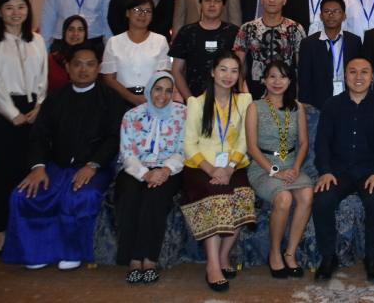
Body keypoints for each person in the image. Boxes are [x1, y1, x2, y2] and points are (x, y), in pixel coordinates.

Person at [2, 43, 125, 270]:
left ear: (99, 68)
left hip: (95, 166)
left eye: (90, 64)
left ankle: (73, 251)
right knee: (25, 194)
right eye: (77, 64)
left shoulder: (110, 97)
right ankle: (36, 251)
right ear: (68, 67)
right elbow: (39, 136)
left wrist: (93, 165)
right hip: (57, 165)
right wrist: (38, 167)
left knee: (82, 195)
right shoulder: (54, 98)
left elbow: (114, 138)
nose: (83, 69)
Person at [0, 0, 48, 257]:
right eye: (9, 7)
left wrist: (40, 105)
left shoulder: (37, 40)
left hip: (32, 111)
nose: (16, 12)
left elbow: (43, 77)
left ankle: (22, 231)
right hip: (2, 113)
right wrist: (11, 113)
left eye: (21, 7)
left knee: (25, 174)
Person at [313, 57, 374, 283]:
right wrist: (325, 171)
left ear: (372, 76)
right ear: (345, 75)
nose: (359, 77)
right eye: (353, 72)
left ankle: (373, 257)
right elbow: (321, 143)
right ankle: (328, 256)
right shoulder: (332, 105)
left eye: (364, 72)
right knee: (322, 199)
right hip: (338, 169)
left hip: (370, 170)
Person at [181, 51, 256, 292]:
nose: (228, 75)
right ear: (213, 72)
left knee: (244, 196)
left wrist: (230, 167)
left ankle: (224, 256)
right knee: (218, 197)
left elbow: (245, 139)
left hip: (234, 165)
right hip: (201, 166)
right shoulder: (196, 103)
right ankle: (212, 265)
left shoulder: (244, 100)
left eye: (234, 71)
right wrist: (212, 169)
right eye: (223, 69)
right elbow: (189, 144)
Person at [115, 71, 186, 285]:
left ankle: (149, 260)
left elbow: (184, 149)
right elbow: (127, 153)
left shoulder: (182, 114)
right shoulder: (131, 116)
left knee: (154, 196)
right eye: (158, 89)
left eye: (168, 90)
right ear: (149, 90)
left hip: (169, 168)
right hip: (136, 168)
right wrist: (144, 173)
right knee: (128, 195)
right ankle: (133, 259)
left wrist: (165, 170)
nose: (163, 95)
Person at [245, 61, 314, 279]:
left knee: (307, 194)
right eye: (272, 76)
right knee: (284, 198)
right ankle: (274, 253)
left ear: (290, 81)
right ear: (264, 80)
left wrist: (295, 168)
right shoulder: (254, 107)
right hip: (263, 167)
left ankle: (290, 253)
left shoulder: (297, 107)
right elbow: (251, 147)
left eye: (283, 77)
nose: (277, 81)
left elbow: (303, 143)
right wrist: (275, 171)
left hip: (291, 165)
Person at [234, 0, 306, 97]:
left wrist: (299, 97)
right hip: (255, 91)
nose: (271, 0)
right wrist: (239, 95)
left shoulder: (295, 29)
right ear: (261, 0)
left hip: (287, 92)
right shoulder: (247, 28)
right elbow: (238, 65)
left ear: (284, 1)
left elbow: (301, 67)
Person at [170, 0, 240, 101]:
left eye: (217, 1)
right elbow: (176, 70)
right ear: (200, 5)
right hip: (194, 97)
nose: (212, 4)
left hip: (227, 101)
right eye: (207, 0)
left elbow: (240, 68)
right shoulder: (187, 32)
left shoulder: (234, 32)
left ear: (223, 6)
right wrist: (190, 100)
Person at [101, 0, 172, 107]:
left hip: (152, 100)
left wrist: (149, 96)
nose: (143, 14)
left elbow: (164, 75)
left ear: (152, 17)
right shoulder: (113, 42)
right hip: (120, 101)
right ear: (127, 13)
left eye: (147, 11)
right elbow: (109, 79)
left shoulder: (160, 41)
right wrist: (132, 98)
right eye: (138, 10)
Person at [298, 0, 362, 110]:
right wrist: (306, 108)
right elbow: (304, 81)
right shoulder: (309, 43)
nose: (331, 15)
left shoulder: (354, 41)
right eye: (327, 11)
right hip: (318, 105)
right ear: (321, 16)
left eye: (336, 12)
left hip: (350, 102)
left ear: (344, 16)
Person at [47, 15, 88, 93]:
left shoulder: (92, 60)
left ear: (85, 33)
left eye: (80, 29)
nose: (75, 33)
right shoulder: (50, 60)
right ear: (64, 32)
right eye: (71, 29)